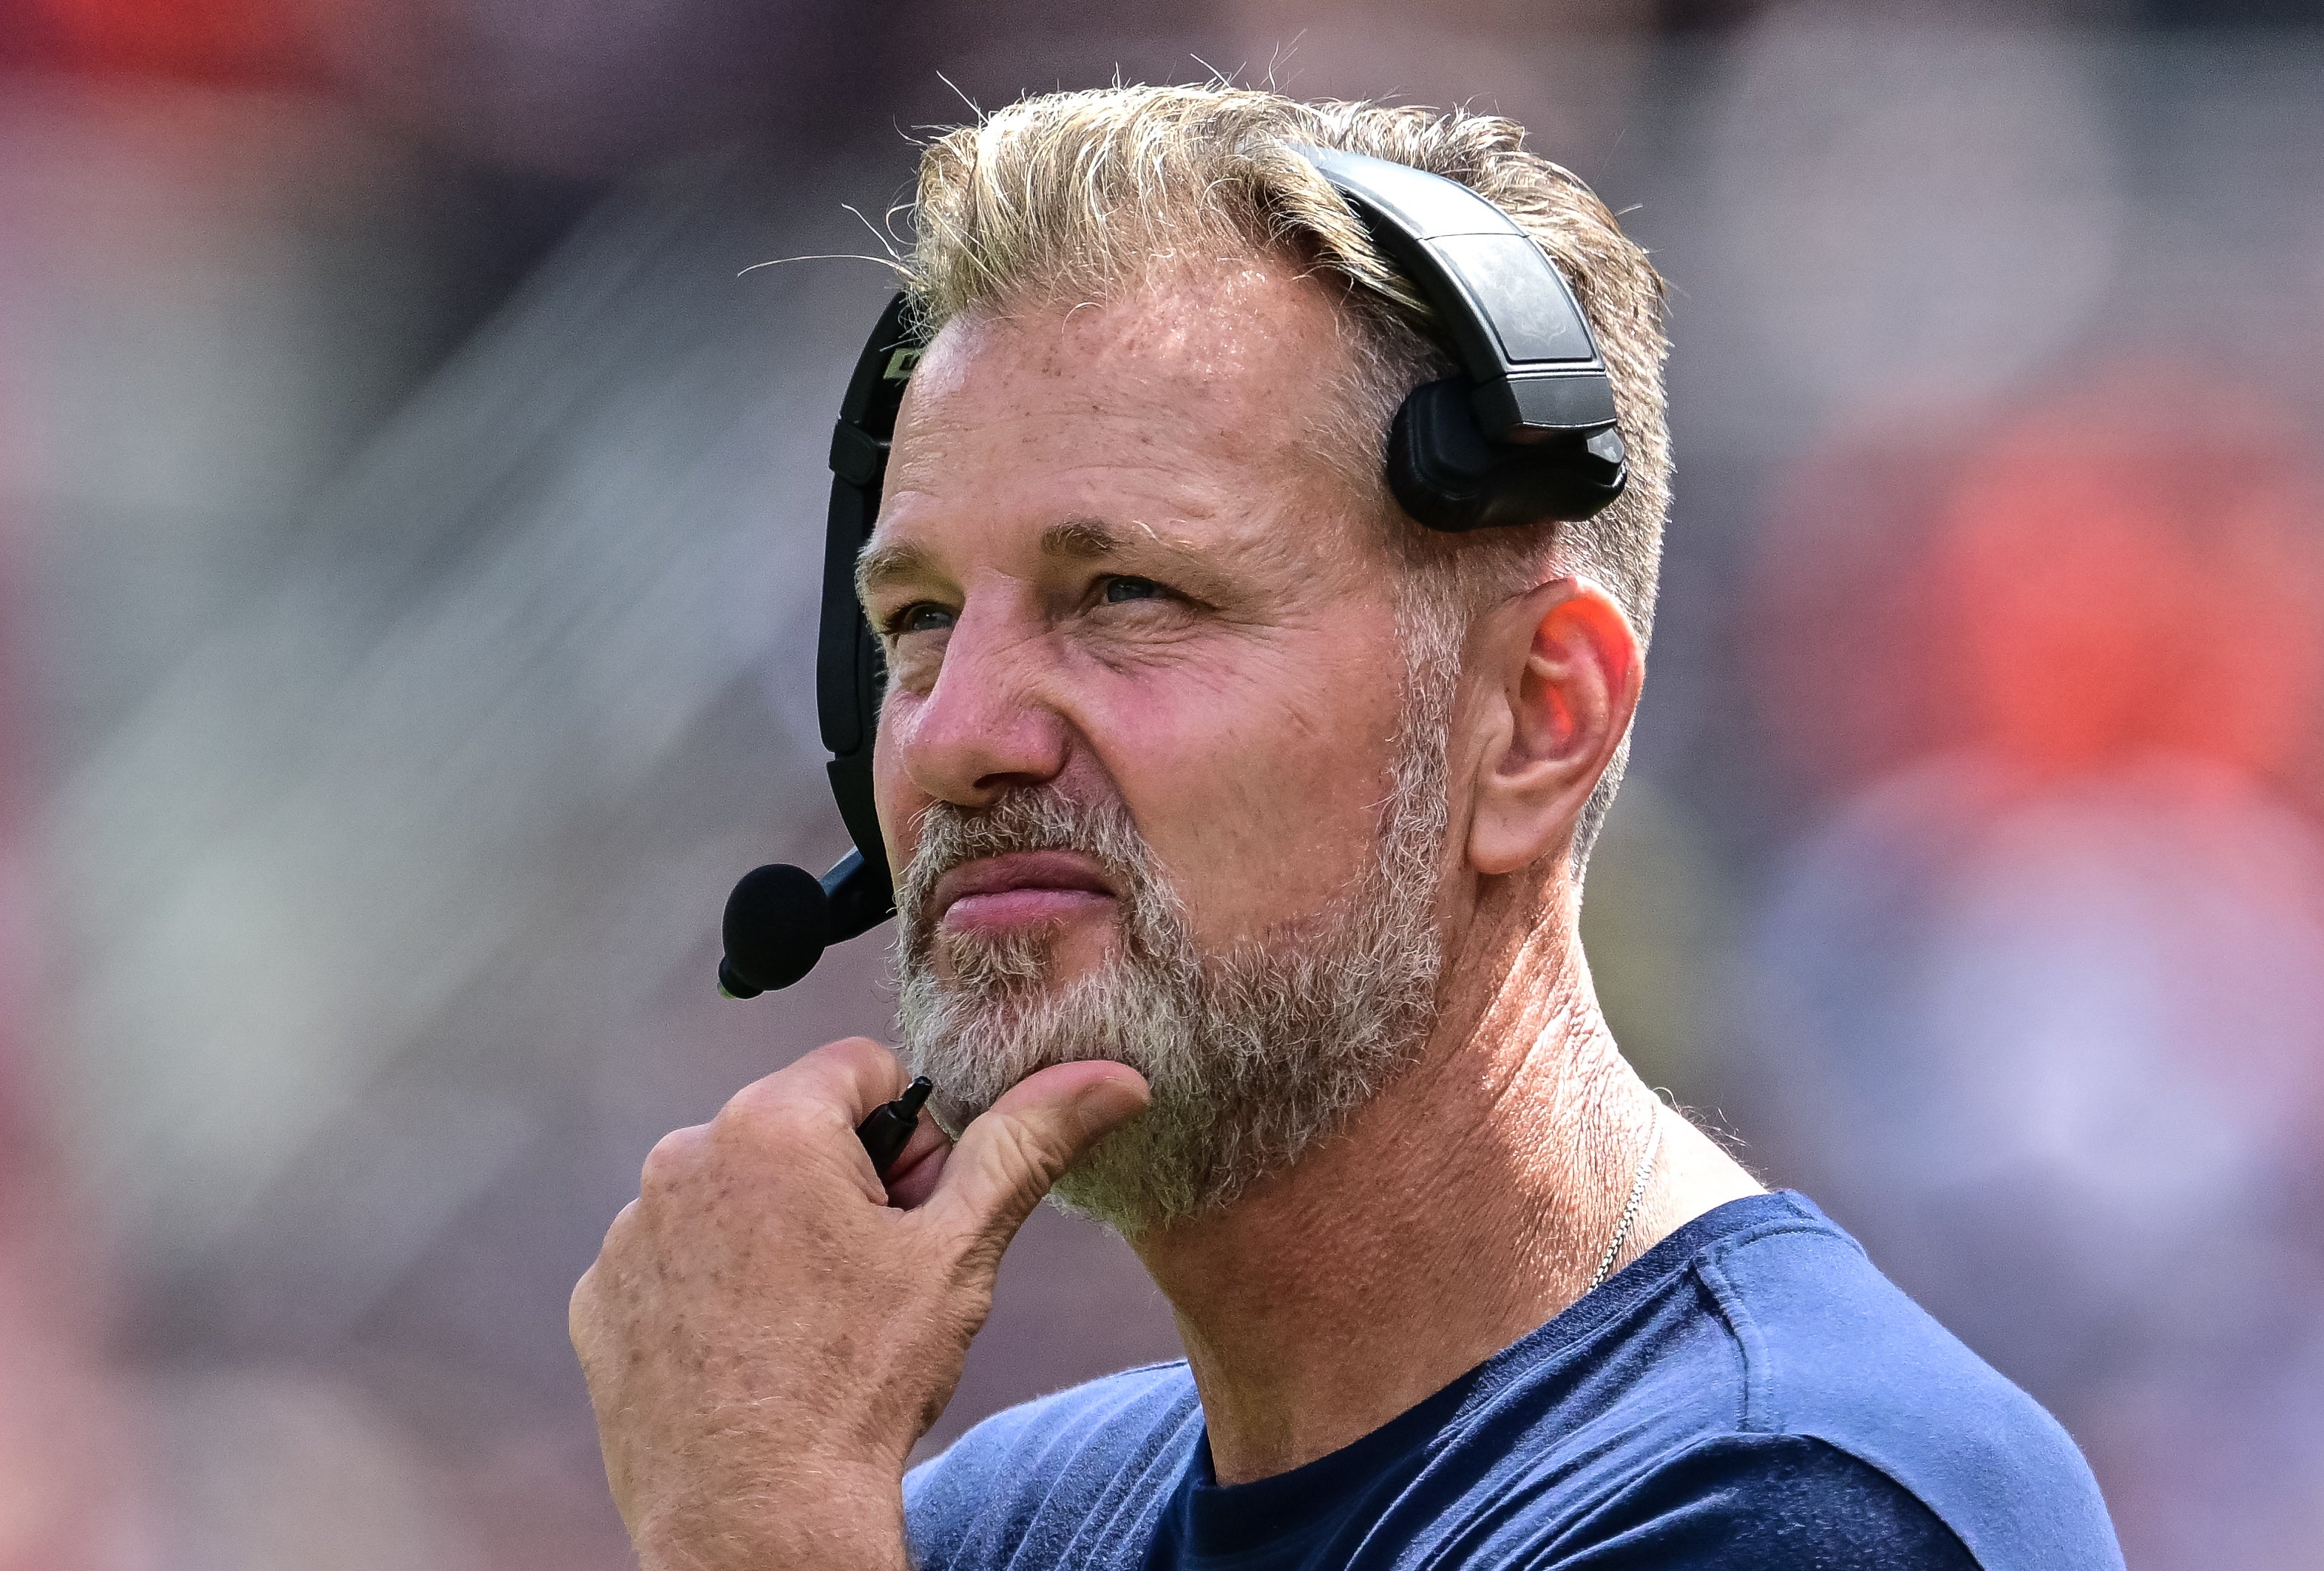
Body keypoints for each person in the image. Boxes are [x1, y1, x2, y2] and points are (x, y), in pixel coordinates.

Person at [567, 85, 2124, 1570]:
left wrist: (750, 1525)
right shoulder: (990, 1526)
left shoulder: (1794, 1510)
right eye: (915, 622)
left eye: (1126, 594)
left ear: (1535, 721)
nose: (956, 736)